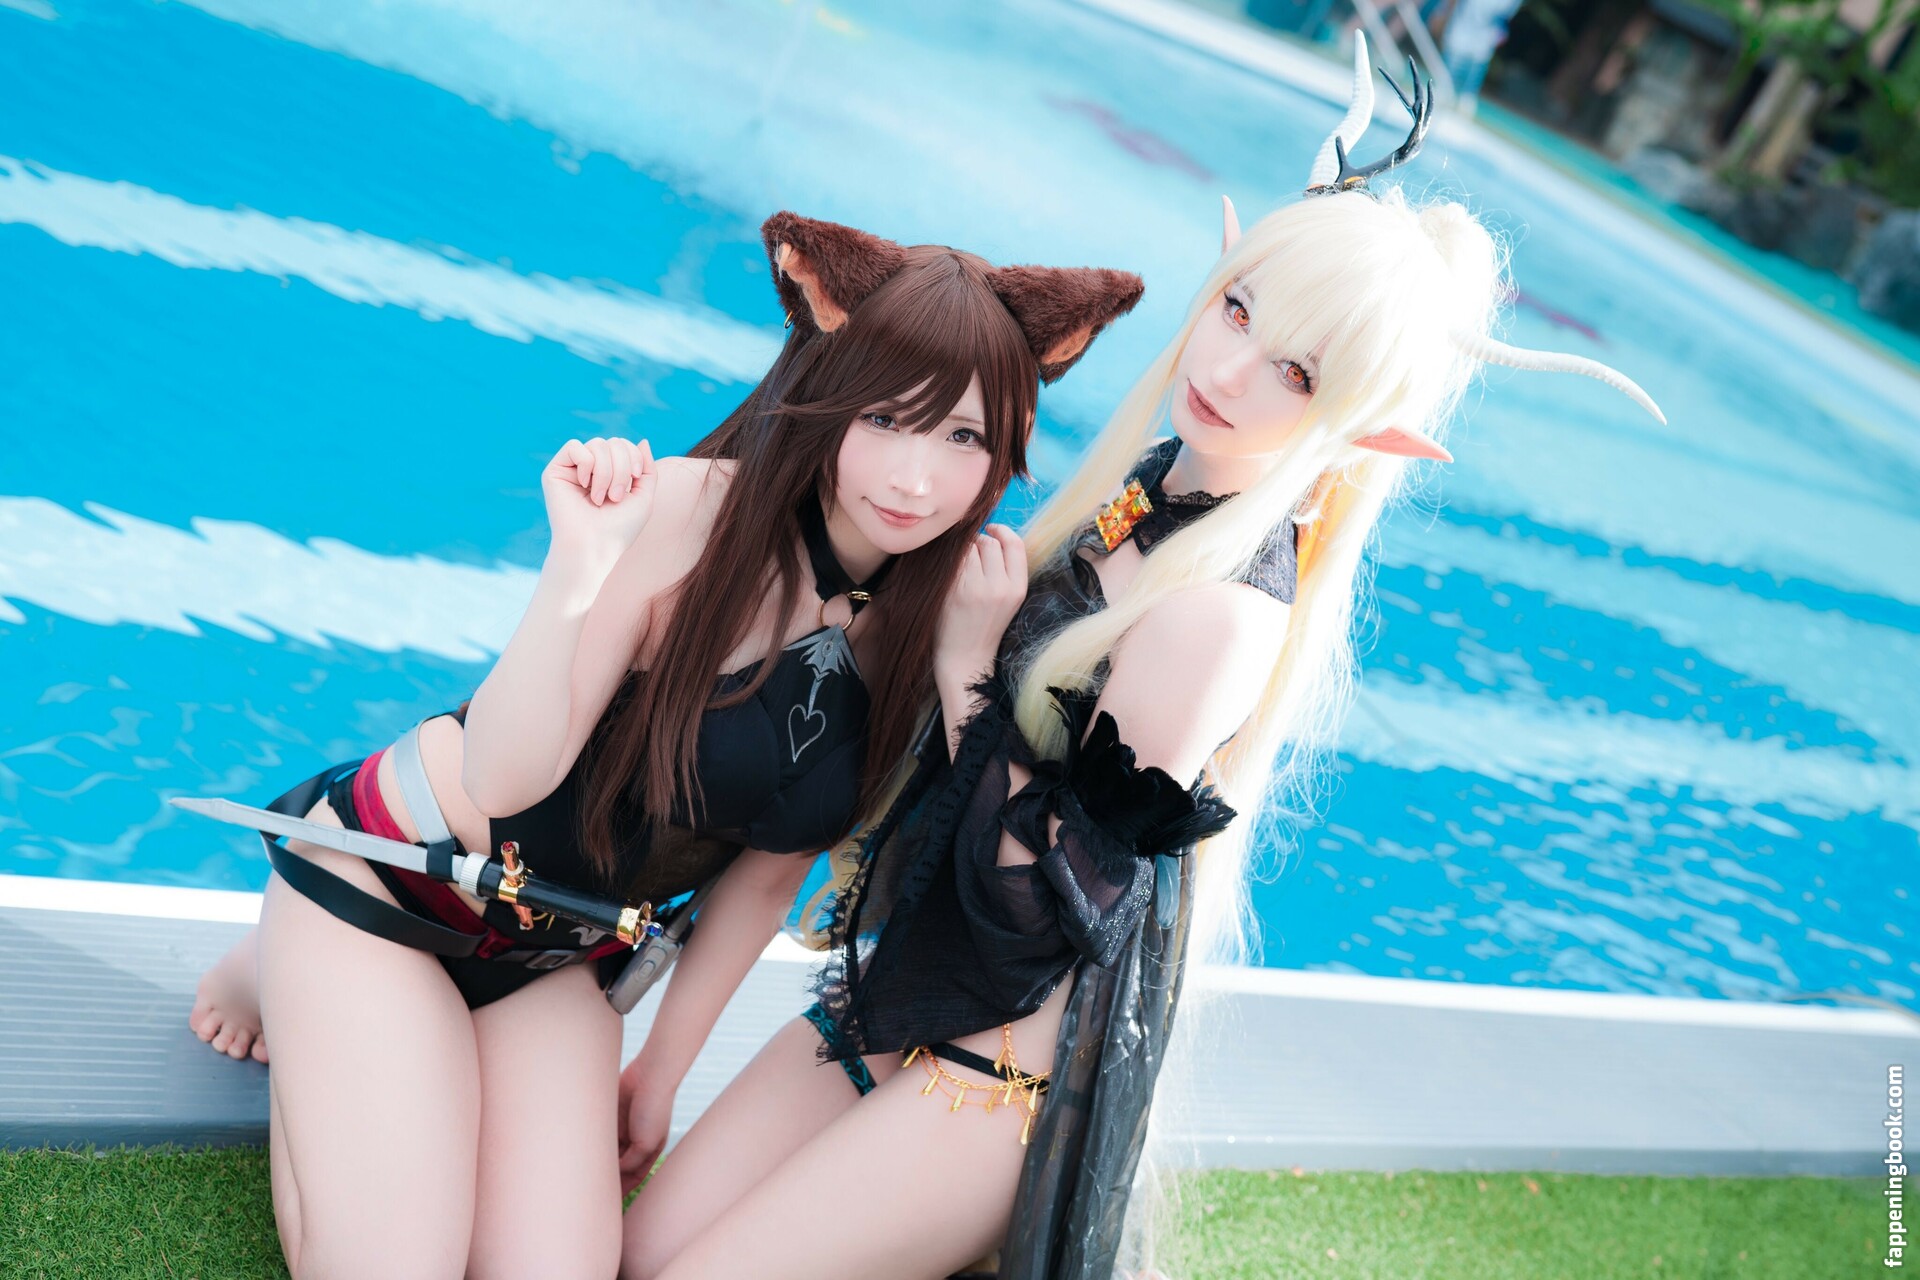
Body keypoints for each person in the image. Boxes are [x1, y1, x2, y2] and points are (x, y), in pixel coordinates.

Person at [614, 43, 1662, 1280]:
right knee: (642, 1254)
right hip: (896, 992)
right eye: (1239, 308)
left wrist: (965, 668)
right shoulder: (1148, 493)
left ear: (1358, 430)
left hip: (997, 1068)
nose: (1229, 371)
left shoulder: (1219, 613)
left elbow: (1034, 913)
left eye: (1298, 371)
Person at [181, 210, 1143, 1278]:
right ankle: (292, 968)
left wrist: (661, 1069)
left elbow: (770, 870)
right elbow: (503, 775)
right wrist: (579, 566)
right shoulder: (688, 514)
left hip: (553, 958)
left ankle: (348, 1028)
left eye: (963, 437)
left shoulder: (931, 616)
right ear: (826, 386)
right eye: (886, 417)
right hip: (397, 881)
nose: (917, 479)